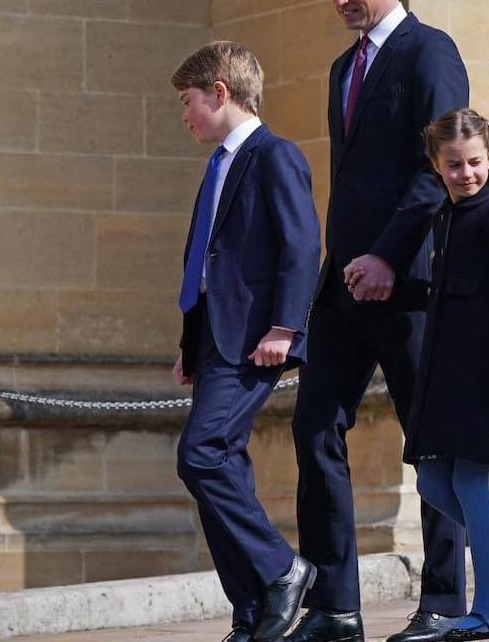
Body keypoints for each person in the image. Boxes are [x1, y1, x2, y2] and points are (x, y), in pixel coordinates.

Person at [288, 0, 470, 642]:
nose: (339, 0)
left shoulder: (431, 52)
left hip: (414, 280)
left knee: (432, 442)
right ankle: (336, 606)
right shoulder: (342, 70)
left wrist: (391, 256)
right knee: (313, 427)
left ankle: (446, 605)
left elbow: (442, 168)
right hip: (346, 284)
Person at [170, 41, 321, 642]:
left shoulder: (274, 155)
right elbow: (207, 260)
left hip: (256, 339)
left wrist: (285, 327)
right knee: (224, 463)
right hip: (214, 337)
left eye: (188, 102)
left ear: (220, 93)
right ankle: (252, 609)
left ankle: (283, 569)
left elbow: (302, 245)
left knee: (199, 454)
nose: (185, 115)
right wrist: (189, 338)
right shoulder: (218, 164)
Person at [394, 108, 489, 641]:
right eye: (454, 164)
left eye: (475, 162)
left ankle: (485, 610)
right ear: (437, 165)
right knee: (432, 479)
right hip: (448, 369)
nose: (466, 173)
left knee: (467, 479)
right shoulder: (446, 214)